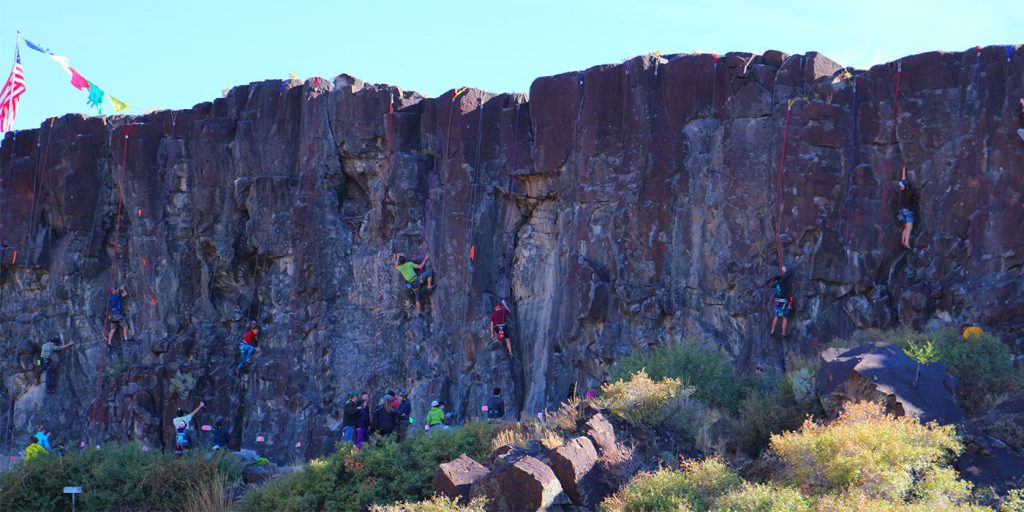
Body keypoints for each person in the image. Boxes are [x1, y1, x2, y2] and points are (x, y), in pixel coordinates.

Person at [767, 267, 794, 337]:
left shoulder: (773, 286)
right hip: (785, 302)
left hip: (778, 303)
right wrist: (785, 270)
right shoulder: (781, 282)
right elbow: (788, 274)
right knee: (785, 318)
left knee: (776, 316)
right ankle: (783, 333)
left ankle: (772, 331)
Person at [897, 165, 916, 249]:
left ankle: (902, 240)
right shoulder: (909, 192)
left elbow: (903, 177)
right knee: (909, 227)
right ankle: (907, 242)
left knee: (906, 227)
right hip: (908, 211)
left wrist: (903, 168)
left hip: (902, 211)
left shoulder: (902, 191)